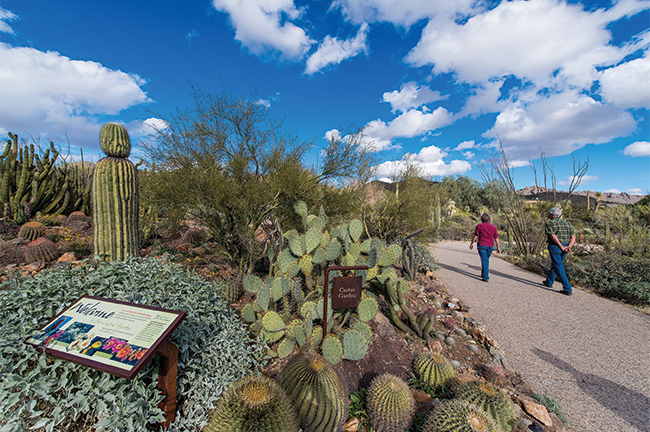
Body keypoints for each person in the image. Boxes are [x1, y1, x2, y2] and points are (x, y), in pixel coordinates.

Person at [543, 207, 576, 295]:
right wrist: (569, 246)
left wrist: (561, 246)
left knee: (558, 266)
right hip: (566, 246)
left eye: (548, 213)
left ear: (551, 214)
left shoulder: (550, 223)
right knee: (557, 264)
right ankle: (549, 281)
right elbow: (573, 236)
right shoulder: (567, 223)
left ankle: (567, 288)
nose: (548, 215)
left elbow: (553, 236)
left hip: (556, 246)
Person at [469, 213, 500, 282]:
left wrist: (471, 243)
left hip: (482, 245)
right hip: (490, 246)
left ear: (482, 219)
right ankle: (483, 273)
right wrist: (498, 247)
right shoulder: (493, 227)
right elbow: (496, 238)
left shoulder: (479, 226)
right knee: (486, 260)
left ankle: (486, 277)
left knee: (484, 260)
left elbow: (475, 236)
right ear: (489, 219)